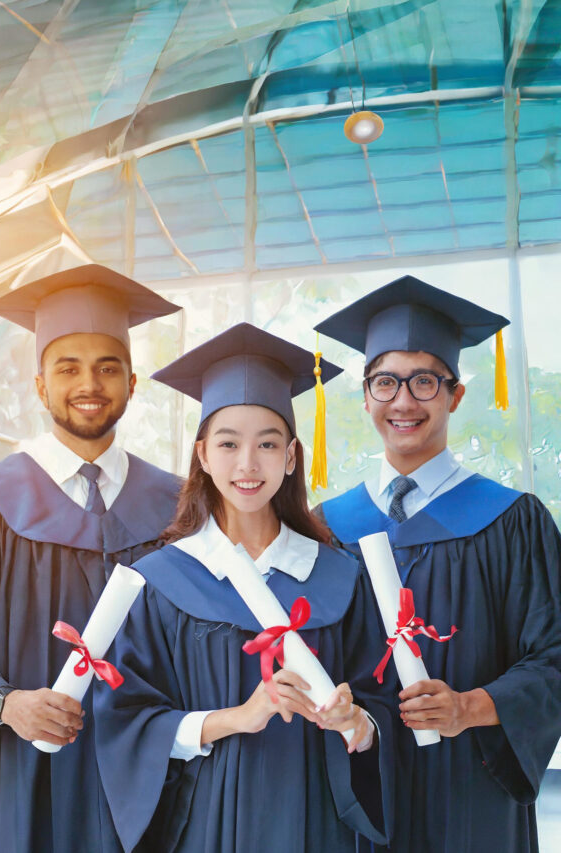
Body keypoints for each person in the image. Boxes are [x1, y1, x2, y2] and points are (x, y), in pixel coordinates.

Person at [93, 322, 395, 853]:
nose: (248, 464)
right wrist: (238, 718)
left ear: (292, 456)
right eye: (229, 444)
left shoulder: (340, 578)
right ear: (204, 456)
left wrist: (359, 722)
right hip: (206, 826)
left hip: (320, 824)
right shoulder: (163, 580)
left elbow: (383, 705)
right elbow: (126, 719)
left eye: (268, 444)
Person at [0, 264, 183, 853]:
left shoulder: (176, 505)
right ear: (40, 386)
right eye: (68, 368)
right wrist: (4, 704)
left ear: (133, 383)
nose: (88, 383)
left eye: (106, 367)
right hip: (22, 777)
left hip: (146, 775)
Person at [314, 275, 561, 853]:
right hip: (358, 789)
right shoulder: (325, 526)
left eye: (424, 381)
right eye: (386, 382)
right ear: (366, 395)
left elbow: (554, 656)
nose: (403, 401)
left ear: (455, 395)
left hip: (471, 789)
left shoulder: (513, 521)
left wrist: (469, 708)